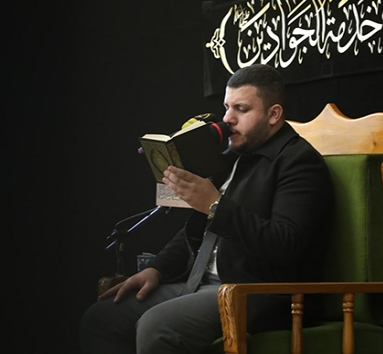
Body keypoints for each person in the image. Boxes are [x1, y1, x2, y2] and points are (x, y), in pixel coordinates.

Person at [80, 64, 333, 354]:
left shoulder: (299, 162)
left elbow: (285, 244)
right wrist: (157, 269)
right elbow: (200, 230)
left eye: (241, 109)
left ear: (273, 114)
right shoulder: (237, 156)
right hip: (202, 282)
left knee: (157, 325)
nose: (227, 119)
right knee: (102, 317)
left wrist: (214, 205)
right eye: (227, 107)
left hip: (260, 293)